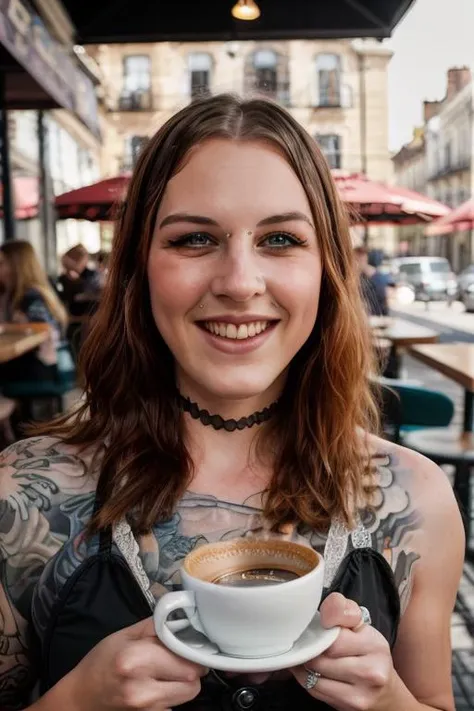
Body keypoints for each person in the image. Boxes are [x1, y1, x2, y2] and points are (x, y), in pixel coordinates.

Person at [0, 95, 463, 711]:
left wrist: (390, 703)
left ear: (326, 270)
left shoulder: (419, 499)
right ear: (139, 266)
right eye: (194, 238)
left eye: (279, 238)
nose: (240, 282)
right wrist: (77, 700)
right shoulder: (19, 495)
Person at [0, 240, 67, 383]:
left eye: (1, 263)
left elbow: (45, 329)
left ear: (15, 265)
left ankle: (8, 404)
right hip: (35, 362)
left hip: (43, 366)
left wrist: (5, 327)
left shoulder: (31, 295)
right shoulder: (12, 293)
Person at [354, 246, 393, 317]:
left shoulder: (378, 278)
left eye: (357, 260)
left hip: (377, 318)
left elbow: (386, 300)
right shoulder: (358, 277)